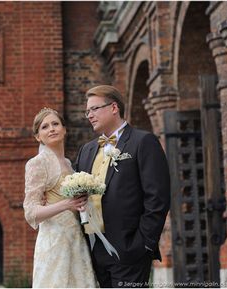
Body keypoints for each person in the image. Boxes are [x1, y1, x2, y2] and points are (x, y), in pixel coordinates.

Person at [75, 85, 171, 288]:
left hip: (130, 249)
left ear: (114, 107)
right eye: (87, 111)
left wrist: (143, 244)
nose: (89, 115)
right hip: (94, 250)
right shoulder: (86, 150)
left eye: (94, 109)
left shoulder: (143, 142)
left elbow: (157, 198)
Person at [23, 108, 98, 288]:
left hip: (75, 238)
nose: (51, 129)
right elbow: (31, 212)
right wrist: (66, 204)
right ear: (38, 137)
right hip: (54, 240)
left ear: (65, 129)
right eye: (45, 127)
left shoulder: (68, 164)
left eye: (55, 124)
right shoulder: (37, 164)